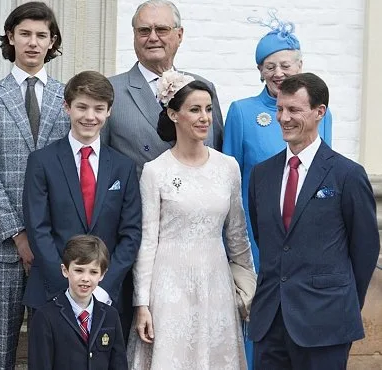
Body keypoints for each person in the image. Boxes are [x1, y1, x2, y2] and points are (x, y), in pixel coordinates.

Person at [102, 0, 225, 338]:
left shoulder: (203, 89)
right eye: (144, 30)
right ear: (134, 37)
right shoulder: (111, 91)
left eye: (162, 29)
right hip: (133, 236)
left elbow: (216, 160)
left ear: (179, 35)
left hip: (193, 247)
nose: (152, 37)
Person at [221, 13, 333, 368]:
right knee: (258, 316)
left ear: (300, 64)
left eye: (285, 64)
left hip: (305, 235)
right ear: (259, 70)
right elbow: (229, 179)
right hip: (256, 236)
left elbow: (325, 173)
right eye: (269, 66)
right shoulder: (241, 112)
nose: (278, 72)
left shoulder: (320, 113)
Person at [248, 73, 380, 369]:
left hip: (326, 322)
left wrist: (340, 302)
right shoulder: (261, 175)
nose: (284, 118)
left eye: (294, 110)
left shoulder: (347, 174)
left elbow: (365, 248)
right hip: (270, 321)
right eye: (280, 109)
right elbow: (267, 239)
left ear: (319, 112)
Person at [128, 71, 255, 369]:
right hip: (169, 286)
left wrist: (249, 288)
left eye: (208, 109)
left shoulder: (228, 167)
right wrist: (142, 304)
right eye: (195, 110)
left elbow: (237, 235)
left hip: (216, 284)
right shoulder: (155, 171)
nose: (205, 118)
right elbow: (147, 242)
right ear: (173, 114)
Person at [0, 2, 70, 368]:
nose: (32, 43)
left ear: (52, 42)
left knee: (53, 346)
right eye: (24, 34)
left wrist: (43, 236)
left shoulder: (67, 98)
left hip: (57, 242)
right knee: (1, 350)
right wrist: (18, 233)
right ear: (11, 37)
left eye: (41, 35)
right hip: (1, 244)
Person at [22, 70, 141, 314]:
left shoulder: (123, 167)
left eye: (98, 109)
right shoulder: (42, 162)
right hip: (53, 290)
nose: (90, 116)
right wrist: (68, 285)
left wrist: (103, 286)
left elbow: (130, 233)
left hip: (107, 296)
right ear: (67, 107)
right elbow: (38, 228)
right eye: (82, 107)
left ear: (108, 111)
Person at [28, 235, 128, 370]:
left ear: (103, 274)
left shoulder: (111, 315)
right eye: (79, 270)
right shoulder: (45, 317)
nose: (85, 278)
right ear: (65, 270)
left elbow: (118, 364)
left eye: (93, 272)